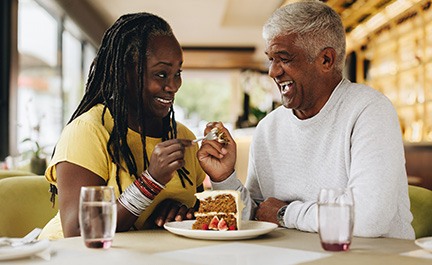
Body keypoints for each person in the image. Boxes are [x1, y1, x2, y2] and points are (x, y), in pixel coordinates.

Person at [197, 0, 414, 239]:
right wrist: (224, 178)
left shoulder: (369, 110)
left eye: (285, 58)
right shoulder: (268, 128)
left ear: (326, 60)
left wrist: (285, 214)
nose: (273, 71)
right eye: (271, 59)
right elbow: (258, 215)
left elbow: (368, 219)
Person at [39, 12, 206, 239]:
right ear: (125, 73)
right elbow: (78, 230)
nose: (174, 85)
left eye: (177, 73)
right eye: (161, 73)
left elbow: (199, 211)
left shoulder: (182, 136)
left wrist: (182, 213)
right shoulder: (88, 131)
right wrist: (151, 182)